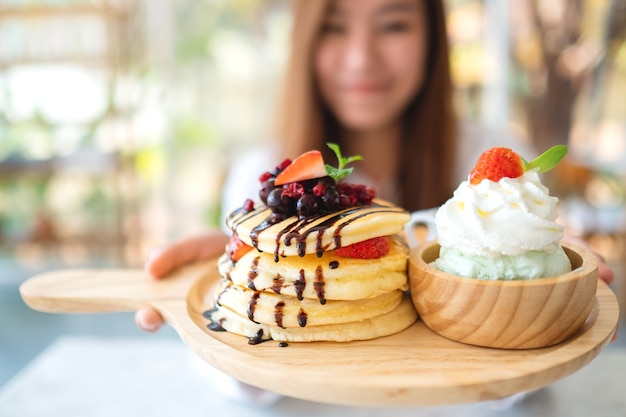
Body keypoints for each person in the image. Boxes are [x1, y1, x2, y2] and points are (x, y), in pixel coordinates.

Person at [136, 0, 615, 334]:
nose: (361, 59)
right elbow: (252, 386)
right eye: (334, 26)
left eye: (393, 25)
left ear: (434, 38)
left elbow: (515, 390)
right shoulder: (260, 173)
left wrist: (557, 301)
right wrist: (221, 294)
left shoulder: (492, 161)